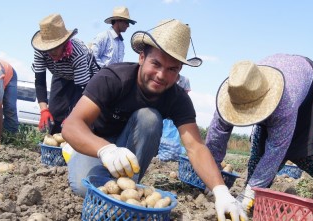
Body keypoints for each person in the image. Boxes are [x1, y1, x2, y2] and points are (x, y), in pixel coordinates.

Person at [62, 19, 247, 221]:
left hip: (130, 149)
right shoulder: (113, 78)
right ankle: (76, 153)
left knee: (149, 118)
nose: (161, 75)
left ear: (179, 72)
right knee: (83, 188)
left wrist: (221, 191)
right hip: (96, 142)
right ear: (142, 57)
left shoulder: (178, 98)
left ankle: (127, 186)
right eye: (156, 64)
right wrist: (106, 150)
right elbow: (72, 125)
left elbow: (195, 147)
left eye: (172, 69)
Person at [206, 54, 313, 216]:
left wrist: (250, 192)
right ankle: (255, 206)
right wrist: (213, 182)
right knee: (258, 154)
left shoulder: (284, 103)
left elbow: (277, 148)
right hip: (286, 82)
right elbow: (215, 137)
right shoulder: (235, 93)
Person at [31, 13, 99, 134]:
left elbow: (81, 90)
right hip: (61, 74)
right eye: (48, 48)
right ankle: (54, 141)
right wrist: (43, 110)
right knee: (55, 112)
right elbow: (40, 81)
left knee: (78, 118)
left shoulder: (77, 54)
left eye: (55, 47)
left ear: (64, 42)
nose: (51, 52)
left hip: (86, 78)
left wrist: (73, 115)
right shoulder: (40, 52)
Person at [158, 74, 191, 161]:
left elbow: (185, 97)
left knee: (173, 135)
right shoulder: (165, 77)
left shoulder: (185, 80)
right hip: (164, 110)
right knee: (162, 133)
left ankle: (169, 154)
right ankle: (159, 151)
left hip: (176, 113)